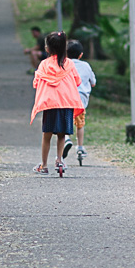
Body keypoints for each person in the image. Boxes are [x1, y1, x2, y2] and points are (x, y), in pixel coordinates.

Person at [30, 31, 82, 176]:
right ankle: (59, 160)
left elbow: (36, 82)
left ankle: (44, 165)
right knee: (61, 135)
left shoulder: (44, 65)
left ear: (47, 49)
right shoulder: (69, 64)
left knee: (46, 136)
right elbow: (77, 81)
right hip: (66, 103)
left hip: (50, 104)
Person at [62, 39, 96, 164]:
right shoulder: (86, 66)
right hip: (81, 100)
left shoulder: (63, 65)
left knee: (66, 121)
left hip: (66, 98)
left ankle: (66, 139)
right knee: (80, 124)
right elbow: (93, 82)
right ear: (81, 54)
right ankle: (80, 147)